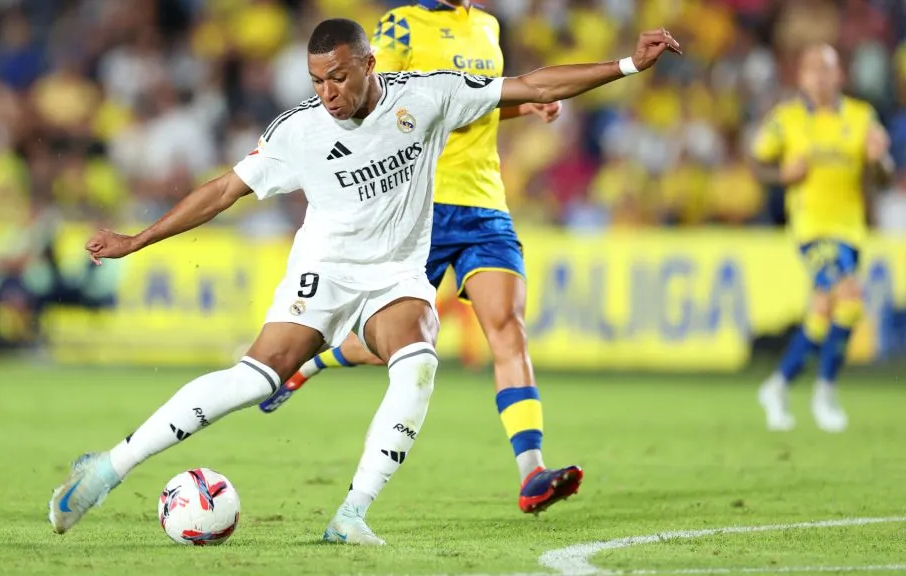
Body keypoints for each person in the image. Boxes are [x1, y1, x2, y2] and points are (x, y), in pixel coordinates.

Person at [48, 18, 680, 545]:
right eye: (317, 80)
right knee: (254, 379)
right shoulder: (298, 131)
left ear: (370, 64)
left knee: (419, 358)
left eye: (339, 77)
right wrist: (138, 239)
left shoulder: (426, 97)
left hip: (395, 275)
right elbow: (222, 191)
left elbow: (531, 84)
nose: (328, 92)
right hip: (324, 271)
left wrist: (628, 65)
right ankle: (109, 468)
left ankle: (351, 514)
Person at [257, 0, 577, 516]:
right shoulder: (403, 24)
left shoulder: (488, 26)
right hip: (419, 204)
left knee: (507, 326)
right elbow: (375, 102)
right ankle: (313, 359)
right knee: (394, 341)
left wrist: (526, 106)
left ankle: (531, 471)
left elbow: (477, 103)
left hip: (484, 203)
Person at [753, 43, 893, 433]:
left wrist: (879, 160)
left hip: (850, 230)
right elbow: (757, 165)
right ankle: (825, 392)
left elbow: (882, 178)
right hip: (810, 228)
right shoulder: (786, 119)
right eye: (812, 69)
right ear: (801, 77)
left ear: (840, 75)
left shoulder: (862, 117)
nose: (820, 77)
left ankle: (778, 386)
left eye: (827, 69)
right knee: (849, 298)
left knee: (823, 310)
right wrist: (782, 176)